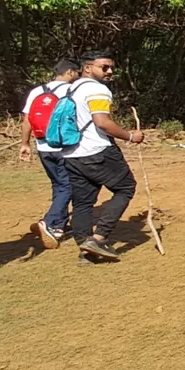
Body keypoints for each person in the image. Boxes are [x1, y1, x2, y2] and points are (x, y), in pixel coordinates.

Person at [61, 51, 144, 264]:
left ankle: (85, 251)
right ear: (87, 68)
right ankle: (98, 238)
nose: (110, 71)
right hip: (96, 150)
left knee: (82, 202)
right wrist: (130, 136)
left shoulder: (71, 88)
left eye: (111, 67)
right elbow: (102, 122)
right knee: (125, 187)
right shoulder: (97, 89)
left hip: (72, 153)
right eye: (104, 67)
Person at [20, 58, 80, 248]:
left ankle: (58, 225)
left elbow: (27, 119)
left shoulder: (37, 91)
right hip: (65, 147)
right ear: (70, 72)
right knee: (69, 186)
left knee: (58, 184)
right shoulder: (71, 91)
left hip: (42, 146)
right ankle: (48, 221)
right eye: (76, 72)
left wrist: (25, 143)